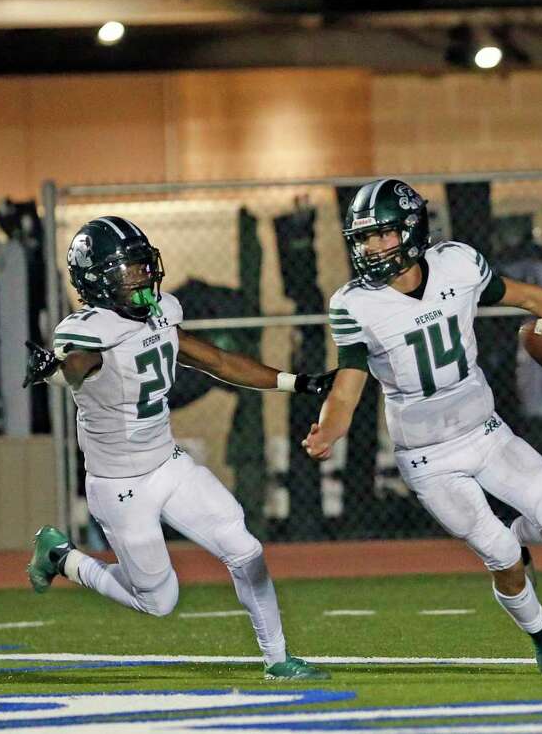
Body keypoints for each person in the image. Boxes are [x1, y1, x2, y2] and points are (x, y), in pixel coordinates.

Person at [302, 179, 542, 677]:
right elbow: (348, 383)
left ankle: (516, 530)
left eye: (381, 234)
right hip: (428, 459)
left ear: (411, 230)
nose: (372, 247)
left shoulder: (458, 263)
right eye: (363, 238)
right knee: (504, 558)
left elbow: (528, 297)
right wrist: (330, 429)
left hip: (487, 432)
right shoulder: (353, 303)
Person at [23, 216, 335, 681]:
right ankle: (63, 558)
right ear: (98, 280)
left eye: (144, 266)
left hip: (168, 465)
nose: (144, 277)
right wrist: (54, 370)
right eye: (129, 271)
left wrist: (296, 382)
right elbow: (79, 365)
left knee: (243, 546)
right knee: (158, 601)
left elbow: (219, 360)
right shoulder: (90, 331)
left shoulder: (161, 313)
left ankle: (278, 660)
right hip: (119, 485)